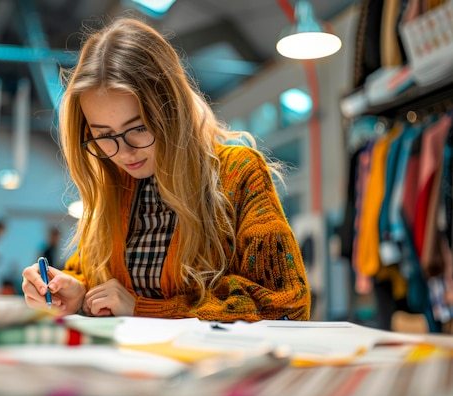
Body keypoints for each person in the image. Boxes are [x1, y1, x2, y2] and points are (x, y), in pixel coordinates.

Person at [22, 18, 311, 321]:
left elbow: (286, 306)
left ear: (173, 112)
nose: (123, 152)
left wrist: (145, 309)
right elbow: (93, 273)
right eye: (104, 135)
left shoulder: (239, 174)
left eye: (139, 128)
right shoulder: (114, 184)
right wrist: (77, 289)